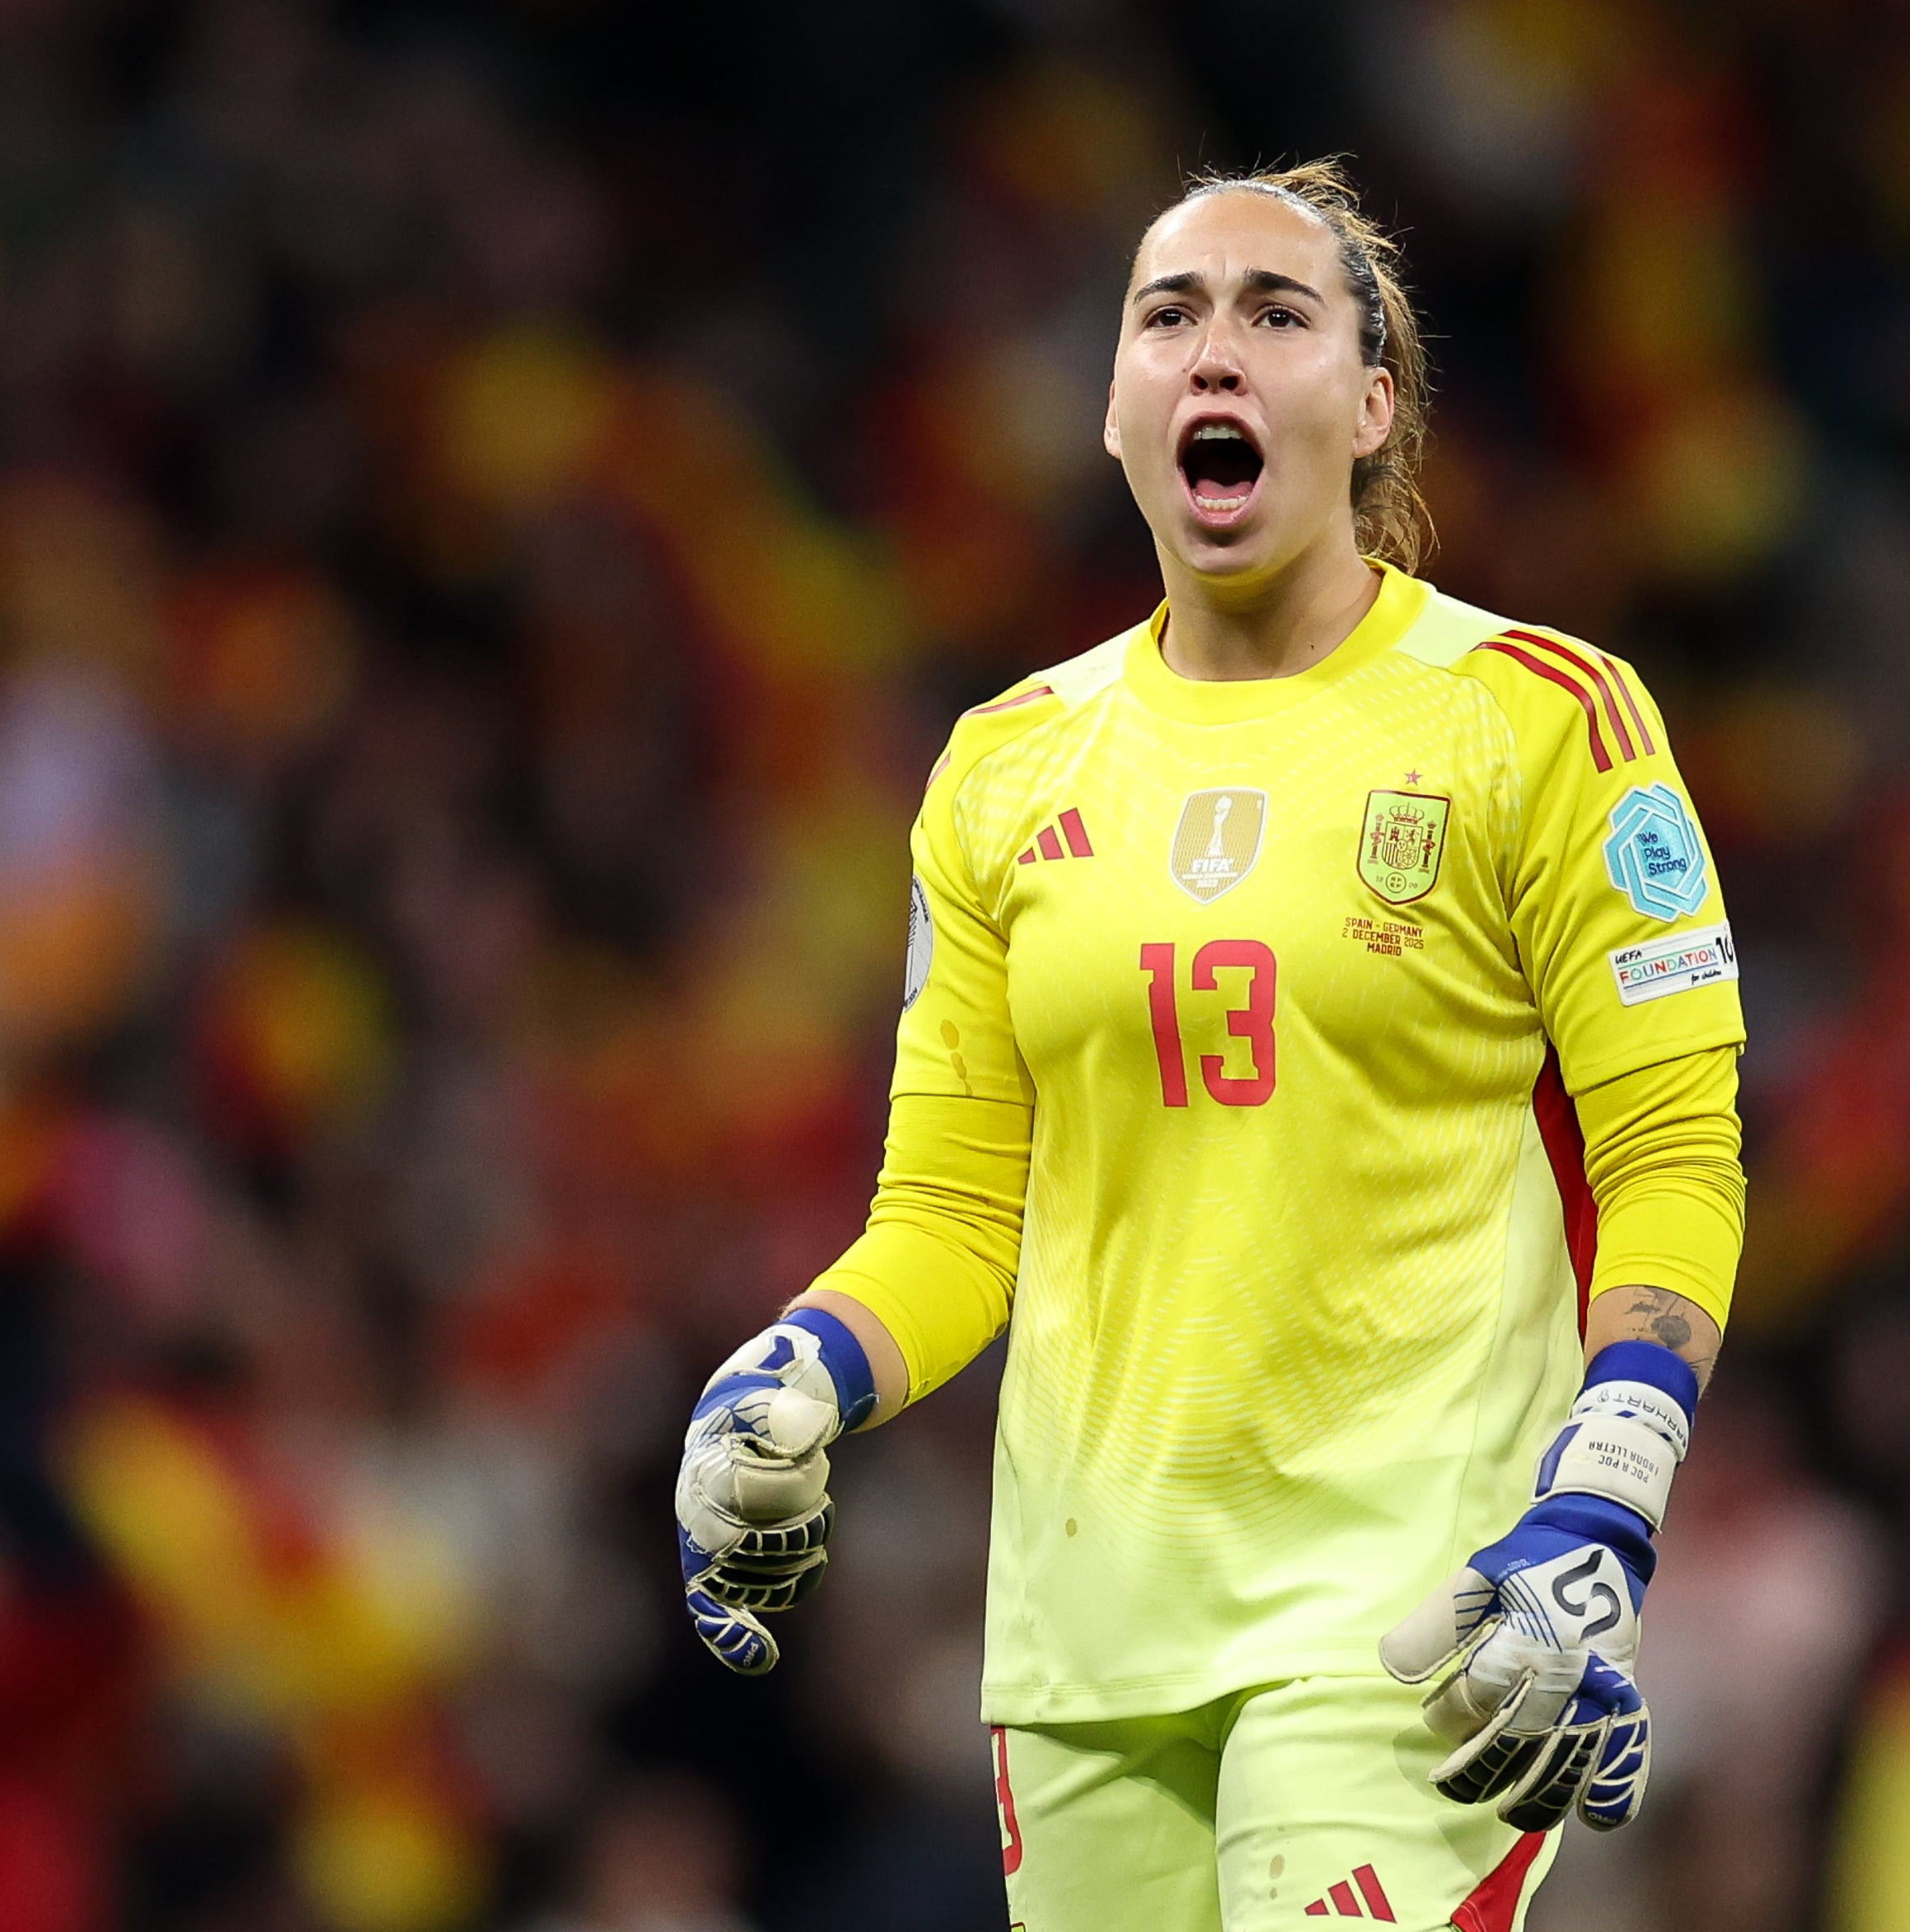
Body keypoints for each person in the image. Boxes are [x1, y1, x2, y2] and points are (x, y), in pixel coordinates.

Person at [673, 161, 1746, 1932]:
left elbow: (1671, 1154)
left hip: (1409, 1623)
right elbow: (950, 1215)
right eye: (1167, 317)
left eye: (1275, 314)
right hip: (1087, 1643)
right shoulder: (1002, 770)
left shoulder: (1543, 720)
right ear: (1114, 413)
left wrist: (1607, 1495)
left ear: (1372, 401)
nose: (1214, 354)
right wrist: (795, 1374)